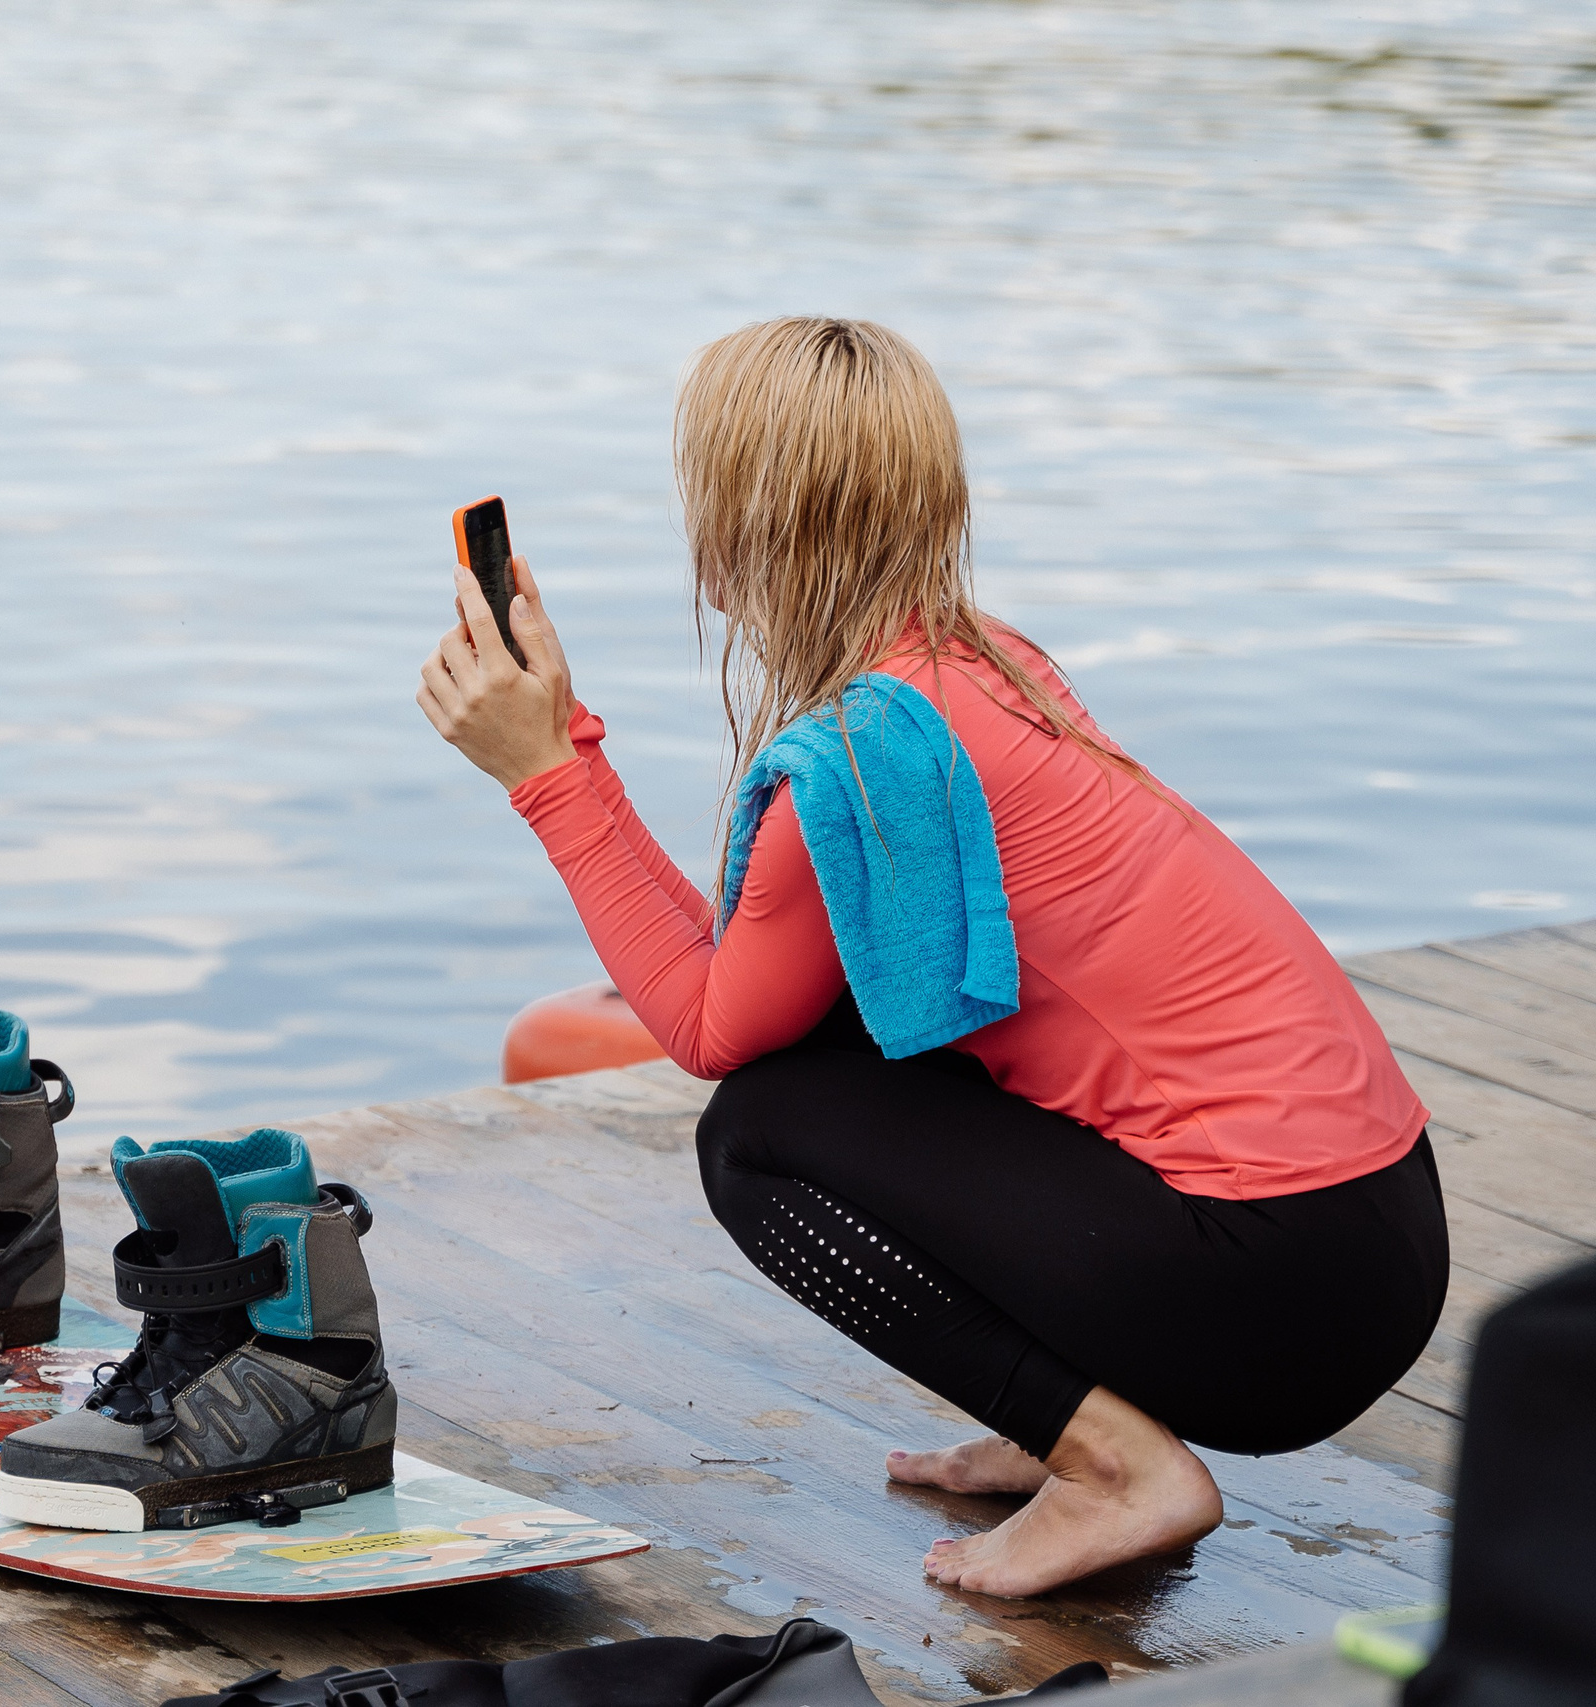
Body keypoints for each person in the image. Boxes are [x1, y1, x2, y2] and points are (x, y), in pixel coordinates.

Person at [413, 316, 1448, 1598]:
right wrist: (561, 739)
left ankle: (1118, 1470)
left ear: (739, 530)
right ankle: (1064, 1423)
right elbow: (762, 990)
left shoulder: (863, 758)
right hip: (1377, 1226)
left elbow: (706, 1036)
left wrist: (546, 777)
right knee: (845, 1045)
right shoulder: (985, 665)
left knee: (759, 1135)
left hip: (1279, 1287)